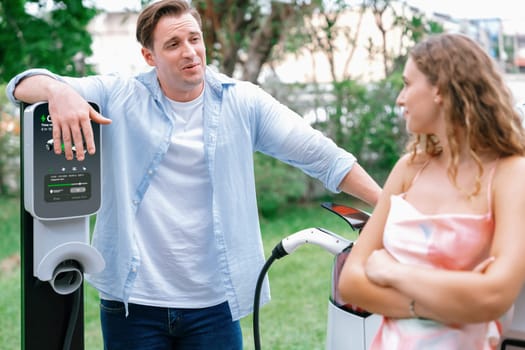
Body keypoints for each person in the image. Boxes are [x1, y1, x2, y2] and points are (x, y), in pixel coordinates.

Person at [7, 0, 381, 349]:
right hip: (133, 303)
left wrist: (388, 207)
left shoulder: (243, 102)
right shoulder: (120, 95)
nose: (189, 51)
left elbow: (324, 157)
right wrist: (59, 91)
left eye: (194, 39)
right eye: (172, 44)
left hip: (214, 305)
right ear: (149, 56)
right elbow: (21, 84)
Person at [337, 32, 525, 349]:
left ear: (439, 89)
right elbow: (352, 282)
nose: (400, 98)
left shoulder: (510, 173)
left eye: (408, 84)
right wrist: (450, 304)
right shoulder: (408, 169)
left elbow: (495, 295)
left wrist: (393, 273)